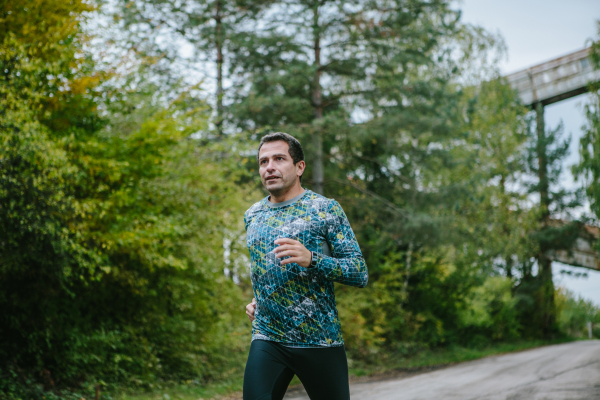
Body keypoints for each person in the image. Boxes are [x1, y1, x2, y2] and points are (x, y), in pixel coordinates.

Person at [242, 132, 368, 400]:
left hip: (319, 339)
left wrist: (313, 259)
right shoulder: (252, 215)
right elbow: (266, 271)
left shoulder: (325, 209)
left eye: (279, 159)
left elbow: (359, 271)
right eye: (263, 162)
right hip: (268, 337)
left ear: (299, 167)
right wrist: (259, 298)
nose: (270, 167)